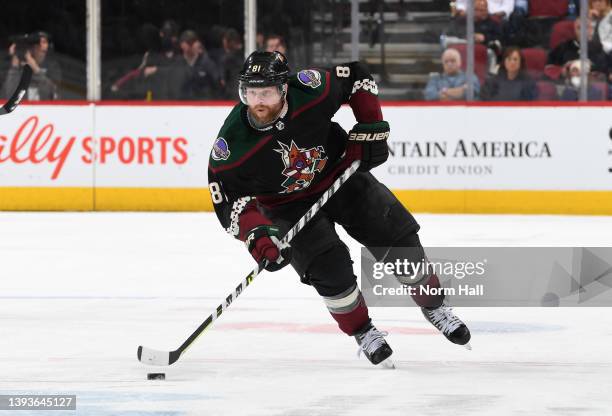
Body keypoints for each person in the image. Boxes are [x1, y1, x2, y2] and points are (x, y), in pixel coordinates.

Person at [207, 51, 472, 366]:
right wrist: (259, 237)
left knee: (398, 241)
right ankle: (363, 330)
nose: (259, 101)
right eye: (251, 93)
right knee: (330, 272)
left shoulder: (310, 89)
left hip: (340, 174)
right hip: (285, 205)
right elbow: (228, 200)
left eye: (266, 92)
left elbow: (356, 76)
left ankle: (434, 306)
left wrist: (371, 122)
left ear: (284, 88)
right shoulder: (232, 144)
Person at [1, 31, 61, 100]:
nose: (43, 47)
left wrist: (36, 70)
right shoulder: (13, 68)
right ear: (32, 48)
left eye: (45, 43)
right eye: (38, 45)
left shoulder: (52, 67)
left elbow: (54, 94)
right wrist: (14, 64)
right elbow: (10, 96)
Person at [171, 30, 222, 99]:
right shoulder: (177, 63)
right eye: (188, 43)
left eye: (192, 42)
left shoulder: (207, 63)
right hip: (182, 103)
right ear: (182, 44)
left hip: (203, 103)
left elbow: (217, 84)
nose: (190, 46)